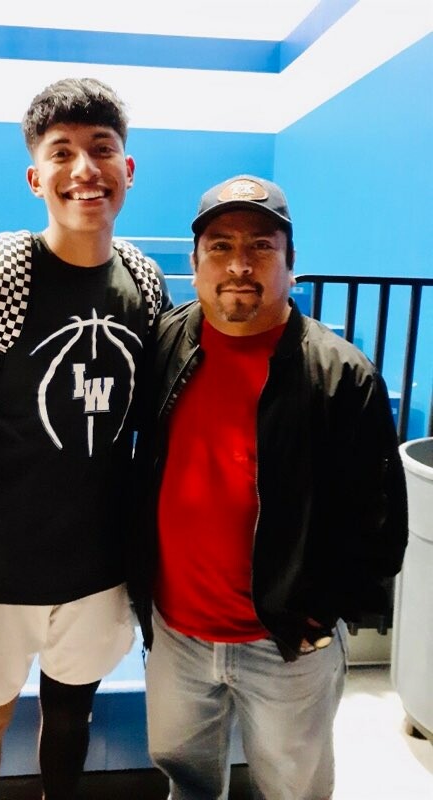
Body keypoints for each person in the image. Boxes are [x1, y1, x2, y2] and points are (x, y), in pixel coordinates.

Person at [0, 77, 171, 800]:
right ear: (35, 177)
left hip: (100, 568)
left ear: (128, 168)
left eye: (102, 149)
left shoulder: (144, 285)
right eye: (62, 152)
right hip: (2, 568)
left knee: (71, 715)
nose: (85, 169)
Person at [129, 174, 408, 800]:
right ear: (194, 263)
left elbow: (379, 522)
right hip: (176, 634)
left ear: (291, 262)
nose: (239, 265)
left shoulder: (339, 375)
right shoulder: (167, 345)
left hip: (285, 645)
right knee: (187, 782)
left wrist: (319, 615)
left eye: (261, 246)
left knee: (293, 791)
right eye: (221, 246)